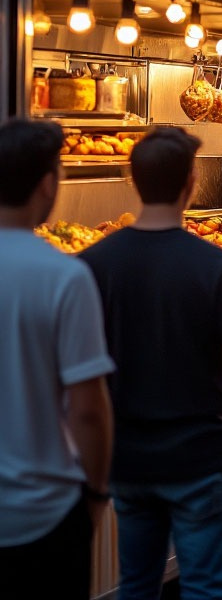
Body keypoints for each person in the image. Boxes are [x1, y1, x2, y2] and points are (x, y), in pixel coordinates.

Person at [82, 127, 222, 600]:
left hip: (128, 457)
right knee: (204, 587)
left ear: (132, 180)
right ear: (191, 181)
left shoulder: (94, 264)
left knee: (137, 585)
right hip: (201, 455)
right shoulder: (217, 266)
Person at [0, 119, 114, 600]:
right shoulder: (65, 276)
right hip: (46, 509)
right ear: (49, 183)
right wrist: (96, 493)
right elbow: (88, 407)